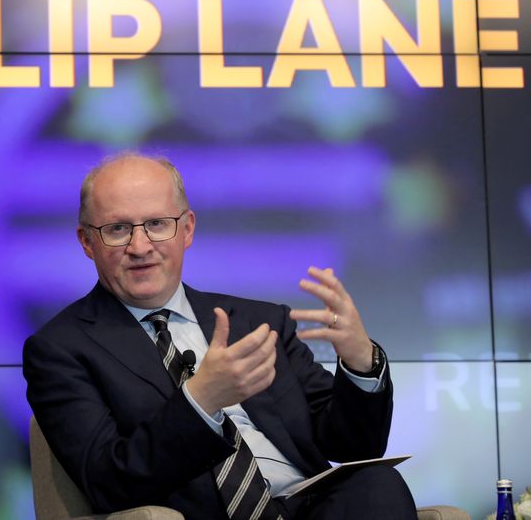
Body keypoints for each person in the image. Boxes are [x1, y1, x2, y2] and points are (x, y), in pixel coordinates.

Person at [23, 152, 417, 519]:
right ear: (87, 242)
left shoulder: (259, 322)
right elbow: (109, 482)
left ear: (187, 229)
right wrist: (201, 400)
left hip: (310, 507)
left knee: (375, 484)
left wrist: (360, 362)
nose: (140, 246)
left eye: (157, 224)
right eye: (118, 229)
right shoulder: (60, 350)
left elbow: (353, 446)